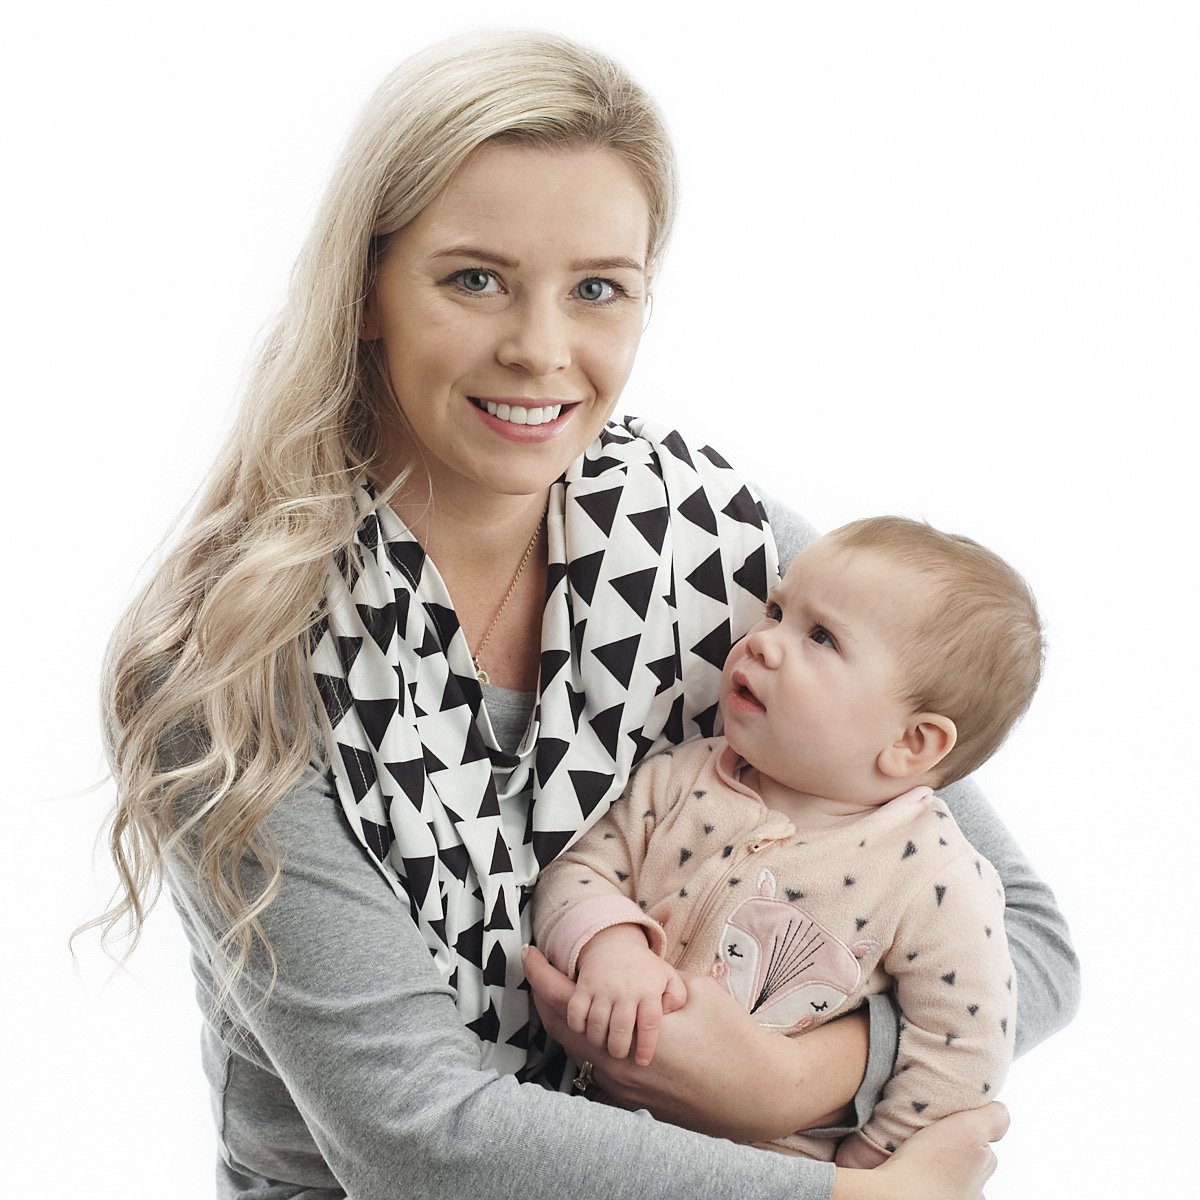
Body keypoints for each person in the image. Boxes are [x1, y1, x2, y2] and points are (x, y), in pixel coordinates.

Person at [93, 29, 1077, 1200]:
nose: (541, 350)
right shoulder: (229, 658)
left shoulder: (736, 561)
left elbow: (1024, 941)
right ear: (365, 290)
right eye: (474, 279)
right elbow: (413, 1136)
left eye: (597, 288)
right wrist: (856, 1196)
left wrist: (780, 1082)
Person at [533, 516, 1042, 1167]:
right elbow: (580, 868)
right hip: (590, 1137)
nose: (762, 642)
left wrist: (874, 1164)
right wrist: (614, 950)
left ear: (911, 742)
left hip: (777, 1169)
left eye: (820, 636)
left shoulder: (936, 877)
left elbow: (963, 1042)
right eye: (775, 610)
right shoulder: (680, 776)